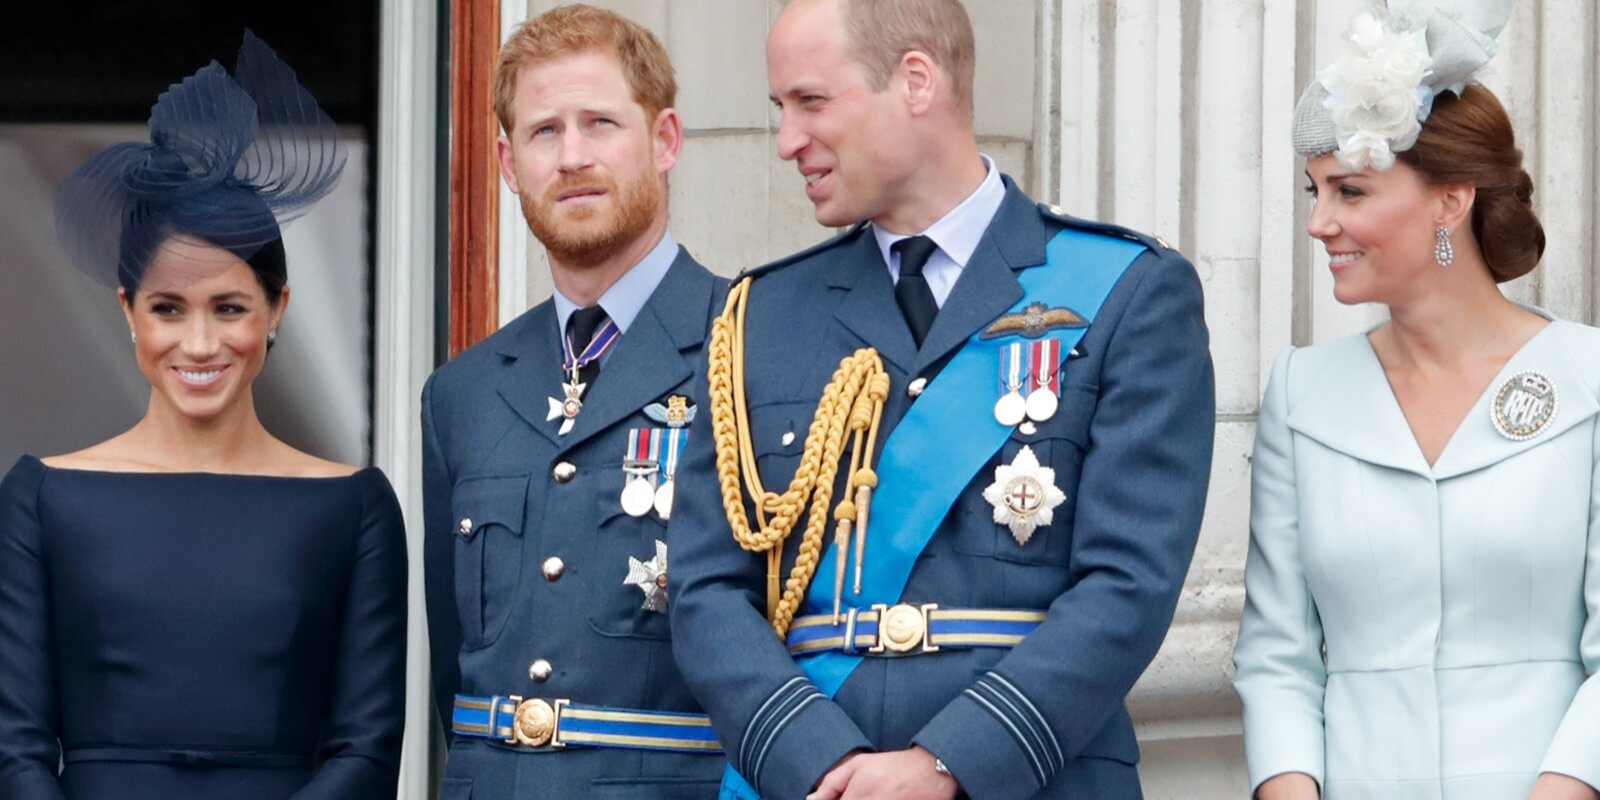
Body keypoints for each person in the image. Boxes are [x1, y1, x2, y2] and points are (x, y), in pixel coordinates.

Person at [666, 0, 1214, 798]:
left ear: (915, 80)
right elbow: (708, 588)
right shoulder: (759, 317)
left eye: (811, 103)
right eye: (780, 110)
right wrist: (817, 758)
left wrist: (949, 763)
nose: (787, 141)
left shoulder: (1128, 291)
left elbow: (1128, 585)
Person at [0, 32, 407, 800]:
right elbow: (13, 750)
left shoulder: (354, 507)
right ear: (128, 311)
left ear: (276, 308)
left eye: (228, 308)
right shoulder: (41, 498)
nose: (198, 342)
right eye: (167, 308)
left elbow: (366, 751)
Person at [1233, 2, 1600, 798]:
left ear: (1450, 201)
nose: (1319, 223)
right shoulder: (1302, 394)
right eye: (1315, 191)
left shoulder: (1590, 381)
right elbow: (1276, 656)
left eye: (1350, 191)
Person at [421, 6, 727, 799]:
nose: (574, 156)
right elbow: (454, 665)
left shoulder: (751, 350)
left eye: (600, 122)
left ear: (664, 140)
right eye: (544, 131)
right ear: (506, 161)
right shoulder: (463, 393)